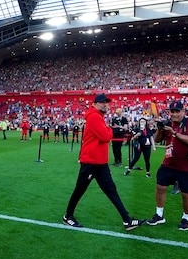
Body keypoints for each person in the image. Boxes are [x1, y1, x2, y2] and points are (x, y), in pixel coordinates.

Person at [62, 94, 145, 231]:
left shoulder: (98, 117)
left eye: (106, 103)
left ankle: (127, 220)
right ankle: (68, 216)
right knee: (80, 189)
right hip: (91, 161)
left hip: (99, 162)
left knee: (111, 190)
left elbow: (105, 134)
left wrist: (109, 129)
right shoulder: (94, 117)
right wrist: (111, 129)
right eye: (102, 102)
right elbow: (106, 136)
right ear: (94, 104)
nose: (105, 104)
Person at [146, 100, 188, 231]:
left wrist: (174, 132)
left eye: (177, 111)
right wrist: (160, 129)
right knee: (160, 187)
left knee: (186, 194)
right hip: (169, 162)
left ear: (183, 111)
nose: (174, 114)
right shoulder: (168, 123)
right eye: (172, 111)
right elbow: (158, 139)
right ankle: (159, 215)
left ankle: (185, 219)